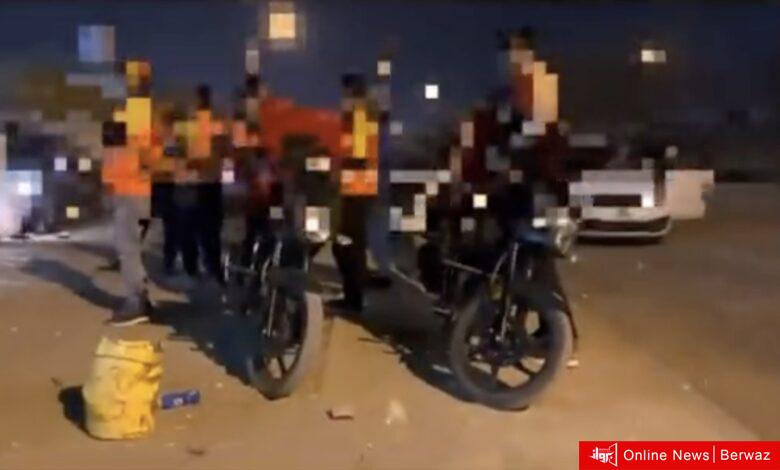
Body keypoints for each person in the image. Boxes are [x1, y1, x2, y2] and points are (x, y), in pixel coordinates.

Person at [101, 59, 158, 326]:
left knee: (128, 247)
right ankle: (140, 298)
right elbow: (113, 153)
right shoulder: (128, 111)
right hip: (129, 189)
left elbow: (141, 154)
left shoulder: (137, 110)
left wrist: (118, 180)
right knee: (129, 247)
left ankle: (137, 301)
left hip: (133, 190)